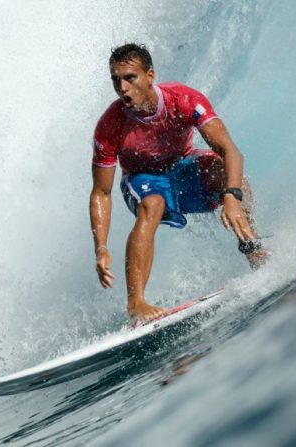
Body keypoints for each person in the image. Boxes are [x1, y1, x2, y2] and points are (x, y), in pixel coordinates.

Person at [89, 43, 269, 326]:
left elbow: (230, 150)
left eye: (130, 78)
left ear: (150, 75)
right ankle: (136, 304)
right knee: (153, 203)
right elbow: (101, 192)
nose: (122, 87)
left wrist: (231, 197)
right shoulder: (110, 126)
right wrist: (100, 246)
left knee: (233, 177)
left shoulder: (183, 100)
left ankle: (254, 251)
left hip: (184, 169)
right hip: (141, 180)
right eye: (116, 80)